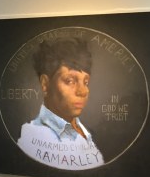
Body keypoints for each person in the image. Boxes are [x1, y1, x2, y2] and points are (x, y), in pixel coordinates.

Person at [17, 38, 104, 170]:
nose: (83, 91)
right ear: (45, 84)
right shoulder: (29, 136)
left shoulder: (86, 133)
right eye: (70, 81)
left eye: (85, 82)